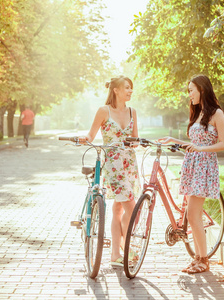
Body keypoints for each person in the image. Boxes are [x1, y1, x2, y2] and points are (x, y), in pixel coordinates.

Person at [158, 74, 224, 274]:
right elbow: (193, 145)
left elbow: (223, 144)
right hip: (192, 165)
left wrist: (200, 149)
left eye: (191, 90)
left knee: (193, 214)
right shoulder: (197, 113)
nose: (189, 95)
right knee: (192, 214)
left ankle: (203, 260)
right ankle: (198, 257)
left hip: (205, 166)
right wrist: (173, 140)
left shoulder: (217, 114)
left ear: (202, 90)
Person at [78, 76, 141, 267]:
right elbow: (91, 134)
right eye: (127, 88)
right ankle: (126, 246)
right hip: (113, 165)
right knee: (132, 209)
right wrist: (84, 138)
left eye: (131, 88)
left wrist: (137, 142)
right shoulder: (103, 111)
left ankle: (115, 255)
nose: (130, 91)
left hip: (129, 163)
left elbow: (135, 139)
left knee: (119, 209)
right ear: (116, 90)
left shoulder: (132, 111)